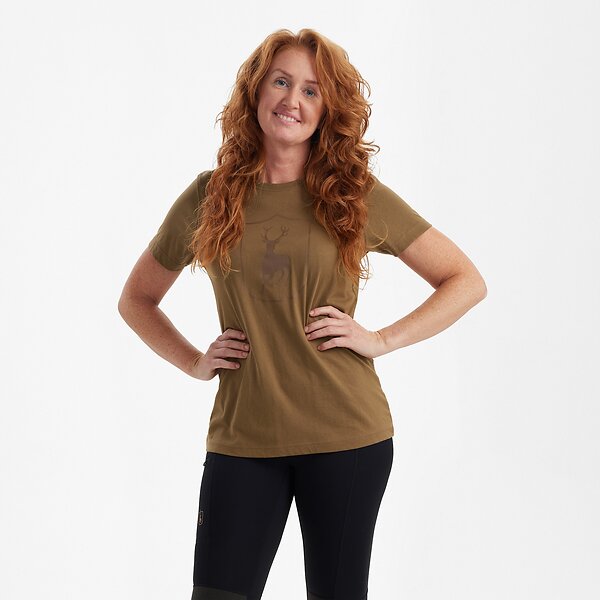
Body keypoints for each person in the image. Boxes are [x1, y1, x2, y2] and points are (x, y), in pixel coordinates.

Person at [118, 28, 487, 600]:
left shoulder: (353, 195)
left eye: (312, 91)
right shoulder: (209, 196)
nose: (293, 100)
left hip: (347, 437)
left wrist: (381, 339)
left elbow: (464, 280)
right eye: (281, 82)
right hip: (243, 439)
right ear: (256, 91)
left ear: (327, 109)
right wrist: (193, 361)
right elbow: (136, 299)